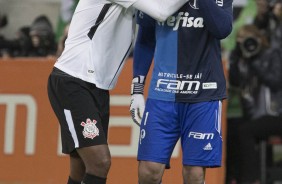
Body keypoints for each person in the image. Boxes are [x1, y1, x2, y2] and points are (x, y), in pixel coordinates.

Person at [47, 0, 189, 183]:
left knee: (81, 168)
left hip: (96, 85)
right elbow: (162, 11)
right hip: (74, 80)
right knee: (100, 162)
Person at [129, 0, 233, 183]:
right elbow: (145, 40)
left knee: (194, 173)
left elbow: (222, 29)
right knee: (149, 171)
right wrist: (137, 89)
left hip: (203, 94)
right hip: (162, 92)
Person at [227, 24, 282, 184]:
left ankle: (251, 180)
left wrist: (255, 60)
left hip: (276, 113)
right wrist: (236, 57)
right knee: (231, 129)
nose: (246, 44)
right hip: (254, 115)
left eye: (248, 39)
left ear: (259, 39)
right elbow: (235, 83)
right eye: (241, 40)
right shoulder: (242, 59)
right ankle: (232, 177)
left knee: (246, 131)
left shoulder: (272, 54)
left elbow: (276, 82)